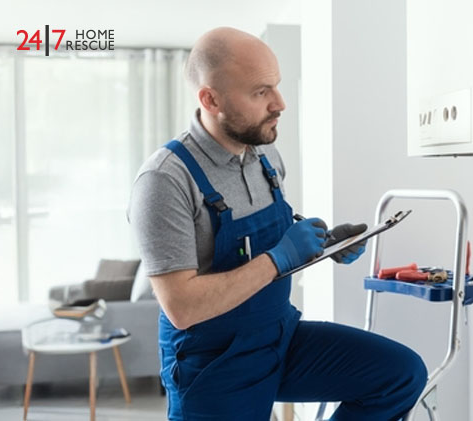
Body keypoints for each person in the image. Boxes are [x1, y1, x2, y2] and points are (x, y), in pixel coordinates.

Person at [128, 27, 427, 420]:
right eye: (260, 92)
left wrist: (323, 246)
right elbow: (181, 307)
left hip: (278, 336)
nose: (280, 103)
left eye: (277, 87)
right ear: (210, 98)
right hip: (214, 366)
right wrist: (279, 259)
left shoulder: (265, 158)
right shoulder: (165, 180)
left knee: (399, 374)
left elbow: (268, 251)